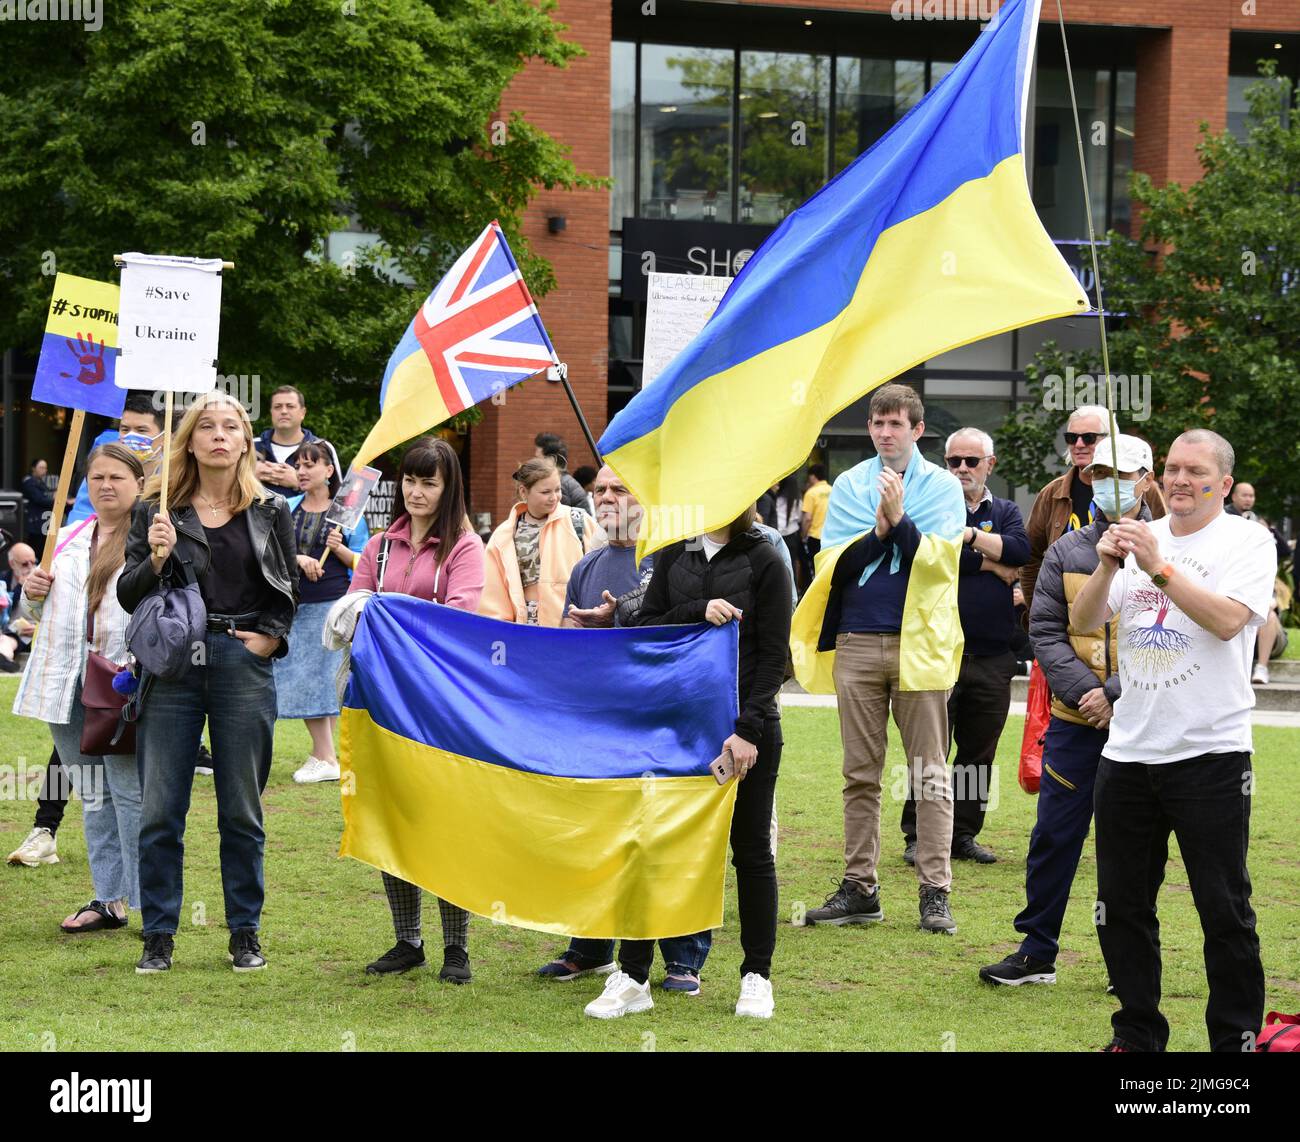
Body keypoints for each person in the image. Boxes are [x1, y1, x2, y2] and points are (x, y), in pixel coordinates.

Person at [1072, 429, 1274, 1052]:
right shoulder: (1138, 538)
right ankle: (1136, 1035)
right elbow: (1082, 621)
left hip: (1210, 753)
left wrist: (1157, 565)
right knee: (1123, 906)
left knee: (1224, 907)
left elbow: (1227, 621)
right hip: (1128, 754)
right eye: (1171, 469)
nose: (1181, 479)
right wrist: (1109, 565)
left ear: (1221, 479)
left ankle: (1233, 1042)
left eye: (1195, 470)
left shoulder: (1248, 540)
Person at [583, 503, 792, 1019]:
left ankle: (756, 975)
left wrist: (747, 731)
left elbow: (774, 657)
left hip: (745, 732)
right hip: (674, 728)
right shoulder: (675, 554)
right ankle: (632, 977)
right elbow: (647, 625)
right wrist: (698, 610)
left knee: (751, 852)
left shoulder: (767, 559)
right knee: (650, 846)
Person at [118, 392, 299, 975]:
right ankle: (159, 934)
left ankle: (244, 931)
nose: (220, 435)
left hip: (242, 659)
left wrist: (270, 636)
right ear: (190, 439)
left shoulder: (271, 510)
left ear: (246, 440)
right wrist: (156, 557)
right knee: (160, 809)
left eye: (232, 426)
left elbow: (287, 586)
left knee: (241, 809)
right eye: (208, 427)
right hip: (172, 663)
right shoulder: (158, 508)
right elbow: (128, 594)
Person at [978, 434, 1155, 986]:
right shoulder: (1067, 550)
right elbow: (1046, 632)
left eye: (1123, 473)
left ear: (1148, 479)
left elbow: (1173, 637)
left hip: (1145, 726)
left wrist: (1118, 692)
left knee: (1130, 848)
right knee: (1054, 835)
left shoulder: (1168, 550)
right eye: (1101, 472)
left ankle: (1125, 961)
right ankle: (1036, 949)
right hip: (1076, 723)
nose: (1110, 483)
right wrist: (1088, 693)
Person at [799, 384, 965, 935]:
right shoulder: (848, 484)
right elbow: (836, 564)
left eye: (896, 424)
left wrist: (901, 524)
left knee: (931, 774)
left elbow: (941, 560)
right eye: (877, 424)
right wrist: (884, 528)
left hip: (921, 642)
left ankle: (934, 892)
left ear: (918, 430)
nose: (885, 433)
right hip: (858, 640)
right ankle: (859, 887)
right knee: (859, 772)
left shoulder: (943, 485)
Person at [536, 465, 709, 991]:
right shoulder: (588, 567)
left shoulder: (678, 557)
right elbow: (570, 645)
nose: (607, 497)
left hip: (666, 721)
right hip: (600, 723)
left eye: (620, 488)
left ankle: (682, 958)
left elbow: (691, 630)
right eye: (600, 490)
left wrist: (624, 618)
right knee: (596, 833)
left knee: (668, 839)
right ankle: (590, 948)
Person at [346, 437, 486, 983]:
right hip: (380, 701)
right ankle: (408, 940)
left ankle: (457, 946)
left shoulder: (464, 547)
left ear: (448, 487)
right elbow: (350, 609)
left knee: (446, 822)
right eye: (410, 480)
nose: (417, 491)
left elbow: (459, 621)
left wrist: (389, 617)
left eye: (429, 482)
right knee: (392, 817)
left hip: (438, 706)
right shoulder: (378, 544)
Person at [13, 443, 146, 932]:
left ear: (139, 484)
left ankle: (150, 901)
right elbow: (31, 618)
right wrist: (31, 597)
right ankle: (108, 899)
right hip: (62, 679)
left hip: (120, 682)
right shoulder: (65, 538)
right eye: (97, 478)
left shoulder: (151, 541)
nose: (106, 486)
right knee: (92, 792)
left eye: (117, 477)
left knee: (129, 793)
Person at [900, 429, 1027, 866]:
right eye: (954, 462)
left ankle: (962, 835)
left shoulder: (1007, 510)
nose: (962, 470)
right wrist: (993, 563)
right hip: (937, 651)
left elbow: (1021, 550)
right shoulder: (932, 505)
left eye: (972, 462)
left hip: (992, 654)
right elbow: (929, 554)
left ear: (989, 464)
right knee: (930, 750)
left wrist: (970, 538)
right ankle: (918, 834)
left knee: (978, 753)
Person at [277, 439, 369, 784]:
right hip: (294, 604)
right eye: (298, 465)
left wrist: (340, 549)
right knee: (306, 677)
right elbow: (269, 552)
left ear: (329, 471)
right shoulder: (286, 507)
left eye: (309, 464)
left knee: (321, 680)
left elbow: (364, 562)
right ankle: (327, 755)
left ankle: (324, 756)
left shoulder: (347, 514)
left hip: (332, 604)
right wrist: (299, 559)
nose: (301, 471)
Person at [1021, 405, 1165, 621]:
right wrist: (1042, 614)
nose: (1078, 445)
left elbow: (1165, 542)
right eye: (1071, 437)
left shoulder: (1144, 488)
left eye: (1088, 437)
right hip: (1067, 620)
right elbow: (1030, 556)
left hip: (1129, 617)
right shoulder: (1052, 493)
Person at [481, 457, 606, 627]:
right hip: (523, 629)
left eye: (557, 489)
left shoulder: (578, 520)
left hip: (572, 625)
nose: (554, 497)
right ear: (523, 492)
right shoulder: (503, 536)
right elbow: (493, 594)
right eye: (546, 492)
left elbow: (602, 567)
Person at [67, 392, 172, 524]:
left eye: (141, 430)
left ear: (163, 438)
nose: (130, 436)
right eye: (125, 429)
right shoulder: (103, 469)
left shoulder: (175, 474)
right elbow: (81, 516)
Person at [254, 385, 320, 497]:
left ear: (303, 413)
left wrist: (300, 483)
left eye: (290, 406)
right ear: (271, 412)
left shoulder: (321, 448)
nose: (284, 411)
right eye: (278, 407)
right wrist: (247, 476)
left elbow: (337, 497)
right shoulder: (250, 447)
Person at [533, 431, 591, 512]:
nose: (537, 462)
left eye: (539, 458)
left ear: (551, 459)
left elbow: (558, 517)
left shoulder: (558, 483)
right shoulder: (564, 481)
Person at [1250, 575, 1289, 686]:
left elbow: (1270, 605)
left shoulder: (1278, 586)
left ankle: (1261, 668)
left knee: (1268, 615)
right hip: (1245, 635)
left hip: (1273, 641)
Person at [771, 475, 805, 595]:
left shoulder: (778, 499)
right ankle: (794, 592)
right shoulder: (798, 500)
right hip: (793, 536)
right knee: (792, 564)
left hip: (780, 536)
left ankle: (782, 592)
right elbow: (799, 518)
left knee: (780, 564)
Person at [800, 464, 831, 585]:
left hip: (815, 536)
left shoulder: (811, 493)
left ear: (813, 477)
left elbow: (807, 518)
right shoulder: (832, 489)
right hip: (830, 536)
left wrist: (803, 535)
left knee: (814, 569)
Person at [22, 459, 55, 544]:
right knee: (38, 546)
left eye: (45, 468)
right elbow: (39, 499)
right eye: (41, 468)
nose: (44, 471)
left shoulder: (40, 482)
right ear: (33, 468)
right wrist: (56, 500)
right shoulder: (29, 482)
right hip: (36, 522)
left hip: (44, 520)